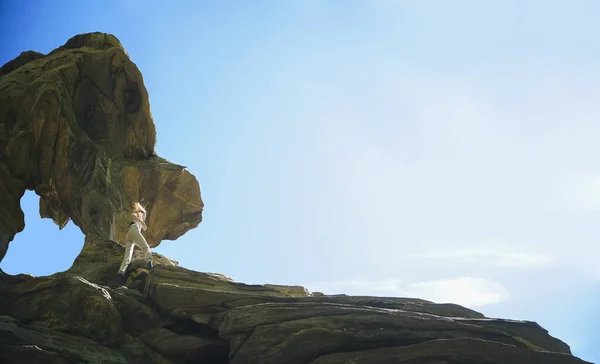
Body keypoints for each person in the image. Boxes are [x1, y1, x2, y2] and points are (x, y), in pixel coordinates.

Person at [118, 202, 153, 282]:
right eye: (143, 214)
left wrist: (141, 224)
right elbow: (133, 216)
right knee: (146, 247)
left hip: (129, 234)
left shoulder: (138, 220)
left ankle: (121, 272)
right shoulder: (137, 214)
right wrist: (142, 223)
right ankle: (149, 262)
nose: (143, 216)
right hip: (133, 230)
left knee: (127, 257)